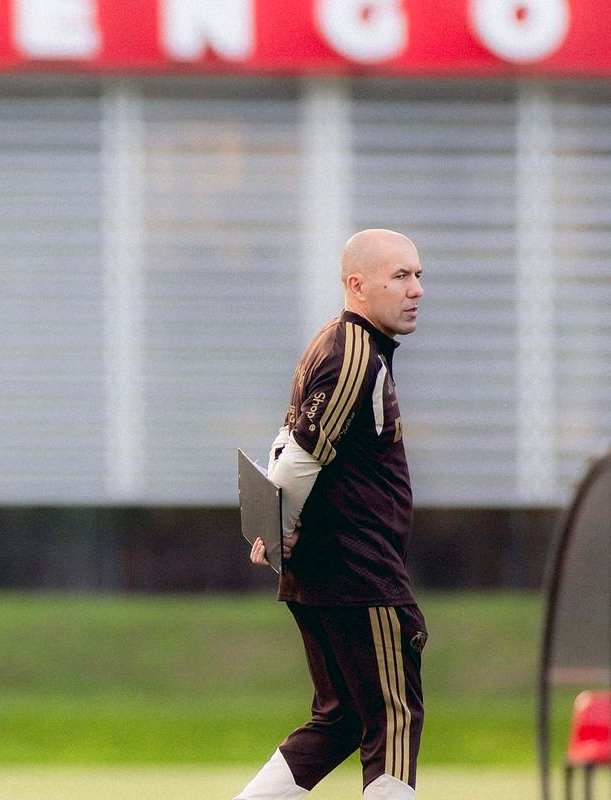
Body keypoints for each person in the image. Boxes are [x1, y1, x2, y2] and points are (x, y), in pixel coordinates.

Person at [235, 229, 429, 800]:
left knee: (340, 719)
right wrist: (277, 527)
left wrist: (278, 525)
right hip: (360, 573)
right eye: (400, 276)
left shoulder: (335, 345)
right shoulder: (354, 353)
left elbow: (286, 443)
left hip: (326, 572)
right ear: (357, 285)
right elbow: (301, 455)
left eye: (418, 275)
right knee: (394, 717)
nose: (416, 289)